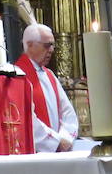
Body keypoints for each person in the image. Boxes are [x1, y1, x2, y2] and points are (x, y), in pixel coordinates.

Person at [14, 23, 78, 152]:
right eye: (47, 45)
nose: (51, 50)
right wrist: (55, 142)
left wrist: (65, 138)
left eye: (52, 45)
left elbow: (67, 112)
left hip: (59, 147)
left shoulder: (50, 75)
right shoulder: (17, 76)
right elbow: (27, 118)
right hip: (37, 150)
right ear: (30, 45)